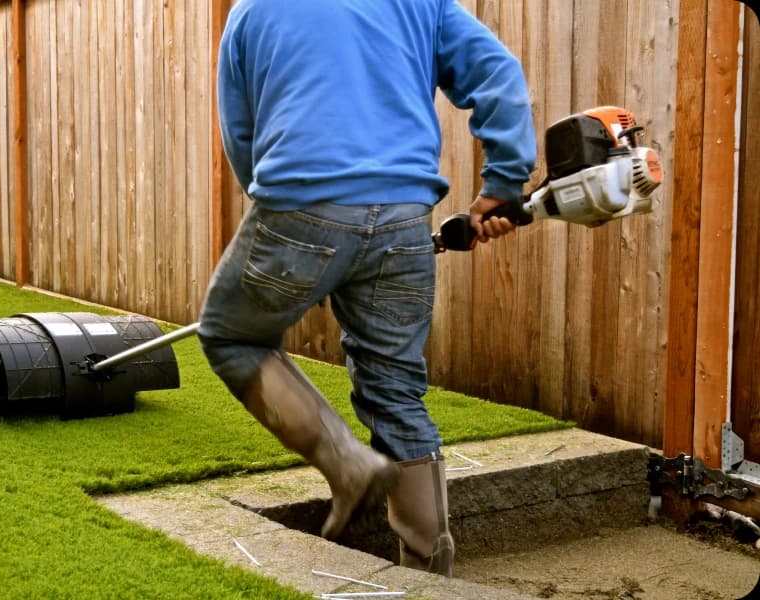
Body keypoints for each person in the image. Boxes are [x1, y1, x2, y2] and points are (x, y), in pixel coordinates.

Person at [198, 0, 536, 577]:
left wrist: (302, 238)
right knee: (397, 393)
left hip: (299, 202)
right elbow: (497, 72)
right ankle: (428, 573)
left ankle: (346, 464)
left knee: (231, 338)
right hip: (405, 214)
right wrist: (504, 182)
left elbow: (241, 133)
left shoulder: (250, 10)